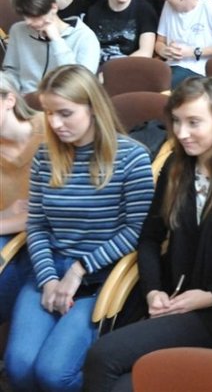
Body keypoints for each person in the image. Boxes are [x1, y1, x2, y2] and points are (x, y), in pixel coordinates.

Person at [83, 77, 212, 391]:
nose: (181, 133)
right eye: (176, 121)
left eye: (193, 122)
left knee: (103, 357)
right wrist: (153, 291)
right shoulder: (176, 168)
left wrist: (209, 296)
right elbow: (150, 238)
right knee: (120, 380)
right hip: (171, 298)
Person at [4, 65, 153, 392]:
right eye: (49, 113)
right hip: (49, 269)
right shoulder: (46, 155)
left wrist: (78, 271)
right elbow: (38, 224)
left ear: (92, 108)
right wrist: (48, 278)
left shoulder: (132, 157)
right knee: (18, 367)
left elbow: (136, 231)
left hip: (102, 275)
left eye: (65, 113)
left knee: (53, 374)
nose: (55, 123)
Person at [2, 0, 101, 93]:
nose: (28, 22)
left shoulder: (85, 37)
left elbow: (80, 86)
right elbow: (12, 71)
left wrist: (57, 41)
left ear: (53, 8)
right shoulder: (18, 30)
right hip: (24, 100)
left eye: (34, 15)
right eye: (25, 16)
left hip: (62, 100)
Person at [0, 73, 44, 324]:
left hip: (55, 239)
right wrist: (8, 215)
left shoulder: (52, 128)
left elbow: (52, 211)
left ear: (9, 100)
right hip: (11, 239)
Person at [84, 0, 157, 64]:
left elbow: (146, 52)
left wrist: (112, 70)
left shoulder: (144, 9)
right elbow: (88, 50)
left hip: (131, 67)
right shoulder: (94, 11)